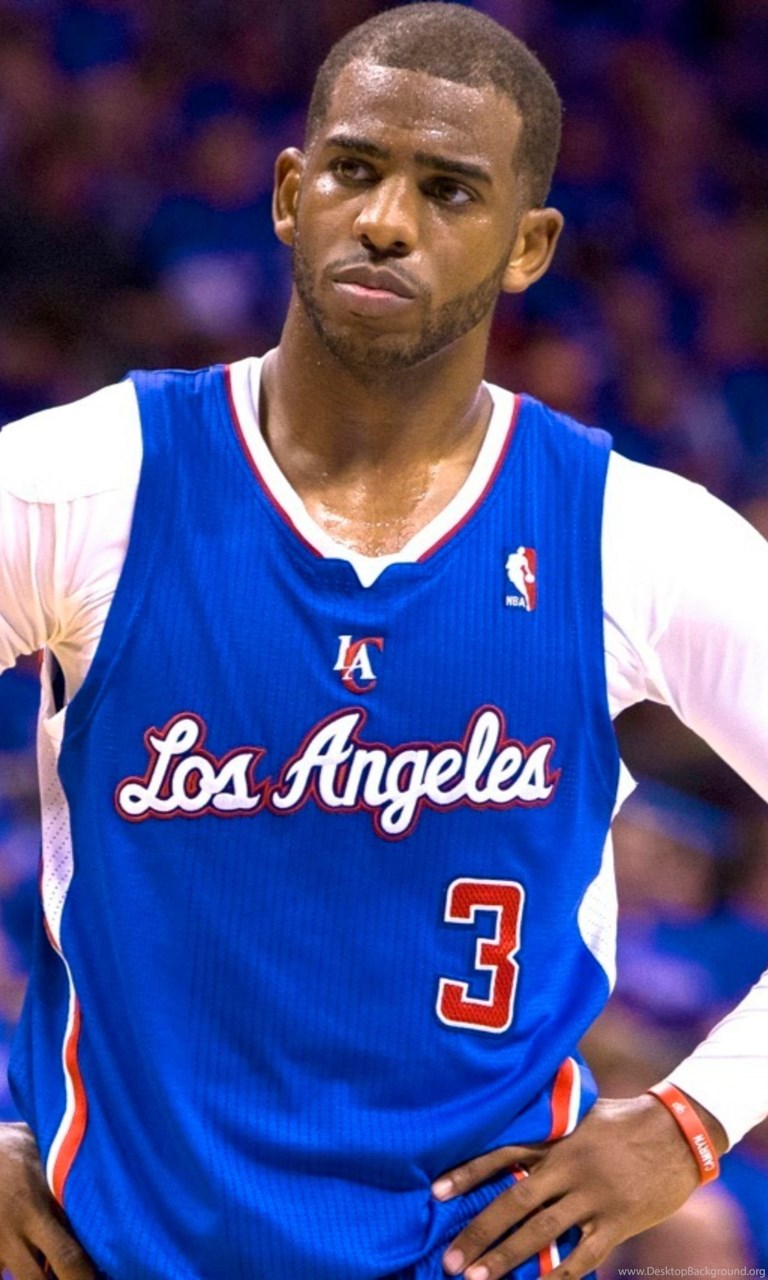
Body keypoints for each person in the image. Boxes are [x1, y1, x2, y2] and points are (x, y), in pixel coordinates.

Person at [0, 5, 767, 1278]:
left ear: (528, 246)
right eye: (355, 170)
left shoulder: (635, 535)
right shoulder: (83, 484)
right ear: (289, 195)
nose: (388, 219)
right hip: (124, 1251)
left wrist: (695, 1120)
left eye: (448, 189)